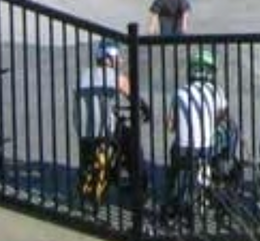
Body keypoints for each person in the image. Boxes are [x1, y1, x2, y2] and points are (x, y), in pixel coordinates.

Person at [162, 49, 240, 219]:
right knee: (232, 131)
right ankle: (223, 169)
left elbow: (169, 125)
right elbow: (224, 117)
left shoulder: (180, 91)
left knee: (174, 151)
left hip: (183, 149)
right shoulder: (216, 91)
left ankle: (170, 190)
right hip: (206, 148)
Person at [74, 39, 144, 192]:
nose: (120, 60)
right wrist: (145, 107)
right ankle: (137, 183)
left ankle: (85, 175)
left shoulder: (84, 75)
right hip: (105, 129)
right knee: (131, 140)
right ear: (107, 58)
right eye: (117, 57)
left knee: (86, 151)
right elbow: (133, 95)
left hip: (84, 129)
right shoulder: (115, 76)